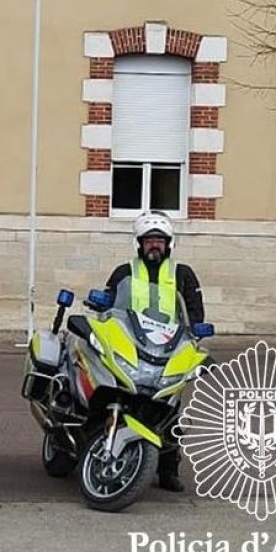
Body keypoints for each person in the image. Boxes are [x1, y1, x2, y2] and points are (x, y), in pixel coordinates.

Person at [104, 210, 205, 493]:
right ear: (139, 243)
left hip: (169, 349)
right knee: (114, 392)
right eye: (149, 240)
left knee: (170, 410)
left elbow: (195, 314)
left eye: (160, 240)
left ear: (169, 244)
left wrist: (196, 331)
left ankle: (168, 470)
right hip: (132, 345)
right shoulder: (125, 271)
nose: (155, 245)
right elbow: (107, 303)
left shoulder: (182, 274)